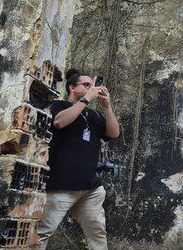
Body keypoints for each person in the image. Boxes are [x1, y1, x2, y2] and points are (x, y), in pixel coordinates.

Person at [38, 69, 120, 250]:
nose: (91, 88)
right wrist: (86, 99)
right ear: (72, 88)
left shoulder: (94, 116)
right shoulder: (60, 106)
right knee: (43, 231)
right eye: (86, 85)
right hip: (62, 185)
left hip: (90, 187)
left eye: (92, 85)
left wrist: (107, 107)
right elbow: (59, 122)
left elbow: (113, 133)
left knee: (97, 233)